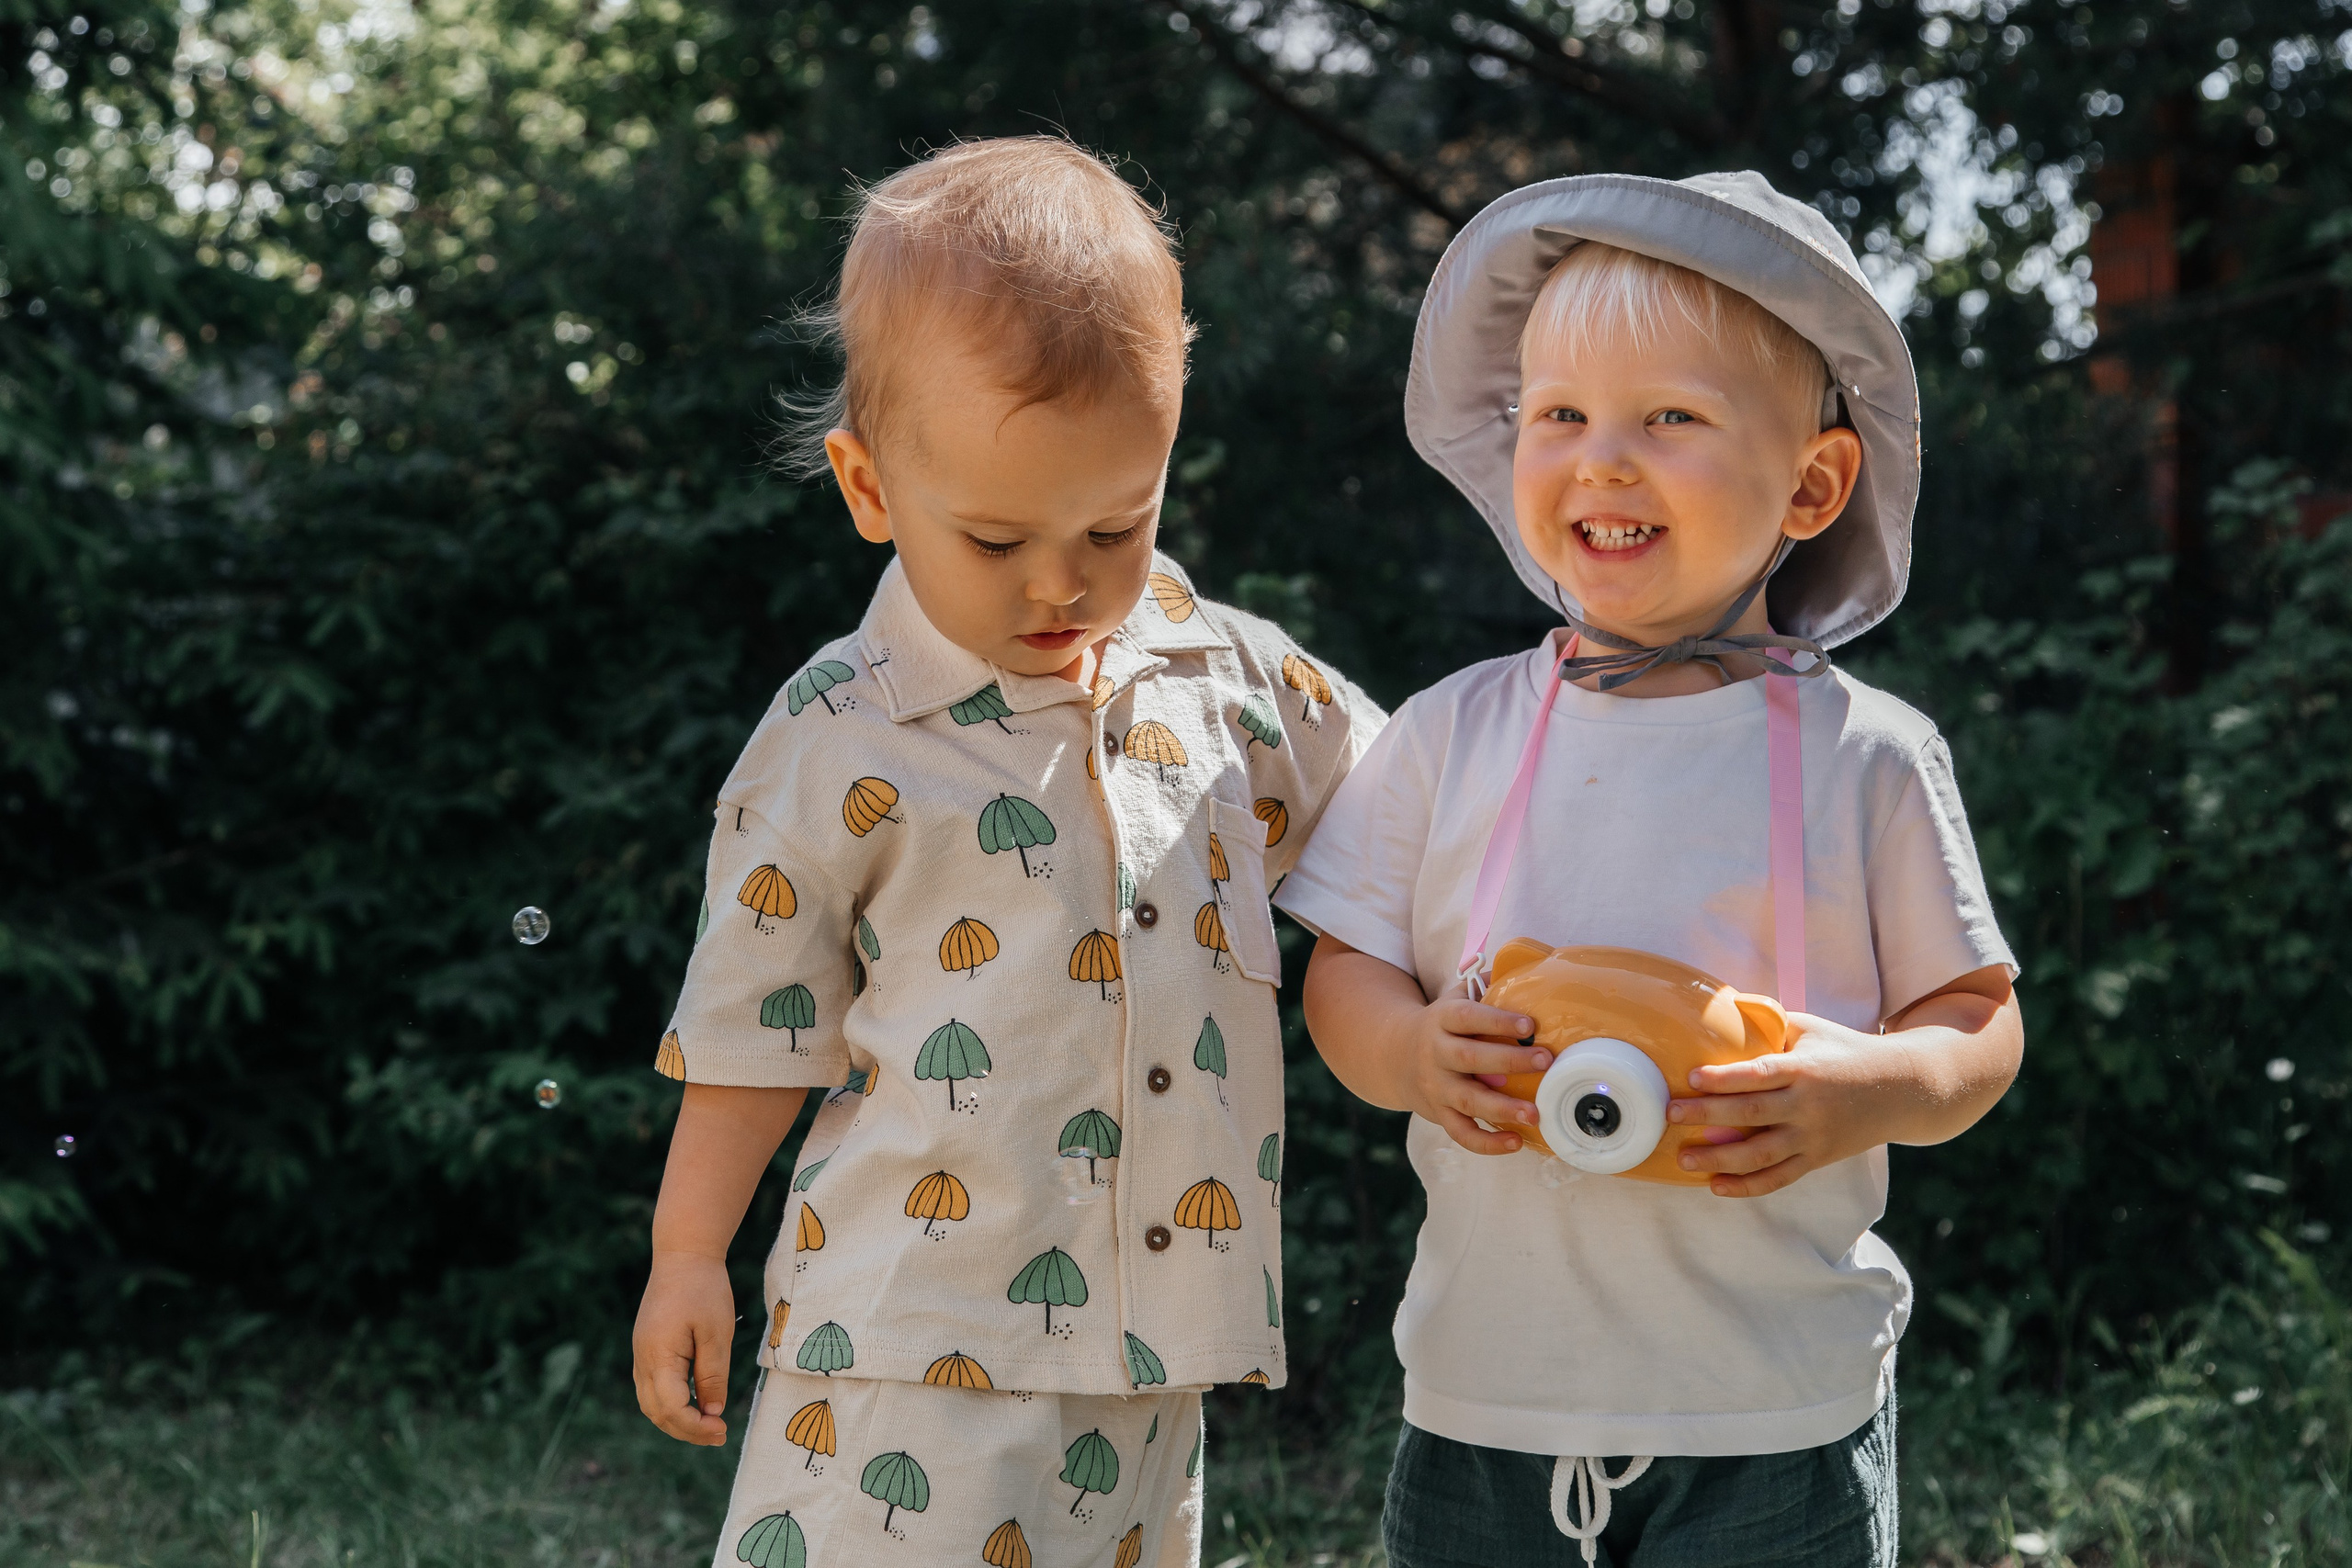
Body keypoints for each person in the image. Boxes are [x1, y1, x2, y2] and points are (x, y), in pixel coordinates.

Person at [629, 137, 1382, 1568]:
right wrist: (686, 1256)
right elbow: (754, 1030)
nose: (1061, 582)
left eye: (1115, 523)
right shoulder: (841, 734)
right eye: (993, 538)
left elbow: (1415, 812)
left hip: (1151, 1346)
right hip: (904, 1344)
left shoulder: (1223, 677)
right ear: (868, 489)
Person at [1274, 173, 2024, 1567]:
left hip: (1775, 1412)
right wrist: (1413, 1054)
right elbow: (1345, 972)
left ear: (1811, 484)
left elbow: (1978, 1024)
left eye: (1669, 419)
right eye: (1558, 415)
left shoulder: (1868, 756)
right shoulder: (1450, 732)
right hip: (1488, 1398)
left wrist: (1868, 1090)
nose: (1602, 462)